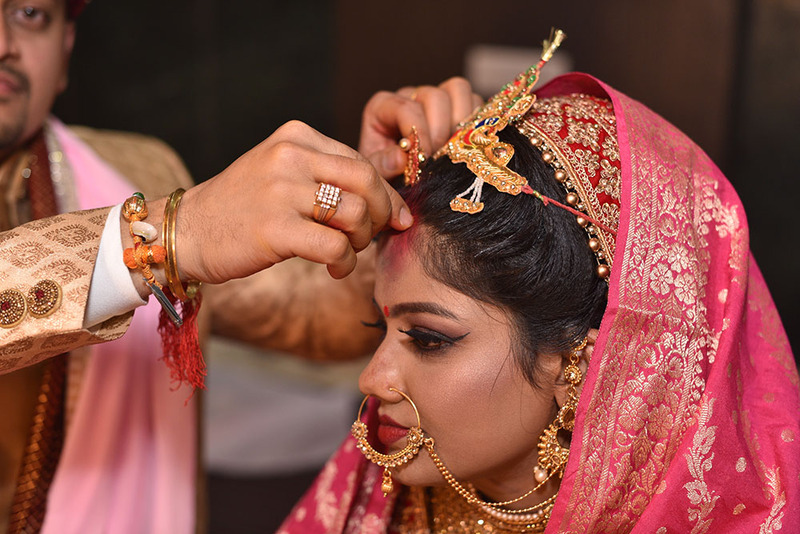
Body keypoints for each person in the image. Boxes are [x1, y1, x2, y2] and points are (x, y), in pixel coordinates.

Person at [279, 43, 800, 532]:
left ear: (583, 368)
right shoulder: (385, 503)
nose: (372, 379)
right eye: (380, 326)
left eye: (429, 339)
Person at [0, 0, 478, 532]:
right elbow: (182, 237)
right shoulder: (158, 211)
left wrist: (372, 208)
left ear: (66, 48)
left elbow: (316, 317)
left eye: (29, 14)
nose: (2, 43)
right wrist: (166, 237)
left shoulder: (136, 173)